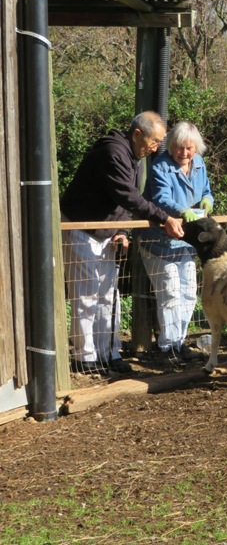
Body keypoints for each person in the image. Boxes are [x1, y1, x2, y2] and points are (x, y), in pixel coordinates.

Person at [61, 111, 184, 375]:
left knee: (109, 295)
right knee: (86, 295)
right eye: (154, 142)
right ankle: (85, 358)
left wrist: (123, 232)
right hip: (82, 228)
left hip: (108, 233)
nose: (155, 149)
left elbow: (128, 200)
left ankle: (110, 352)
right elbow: (128, 196)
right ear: (137, 134)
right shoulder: (112, 153)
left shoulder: (135, 157)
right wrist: (165, 218)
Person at [137, 121, 213, 364]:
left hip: (187, 241)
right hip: (160, 241)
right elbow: (161, 198)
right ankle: (167, 348)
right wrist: (182, 210)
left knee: (189, 293)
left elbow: (206, 191)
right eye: (179, 148)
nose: (184, 153)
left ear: (196, 148)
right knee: (169, 292)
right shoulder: (161, 167)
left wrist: (207, 202)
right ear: (171, 147)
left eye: (189, 148)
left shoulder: (199, 164)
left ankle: (179, 344)